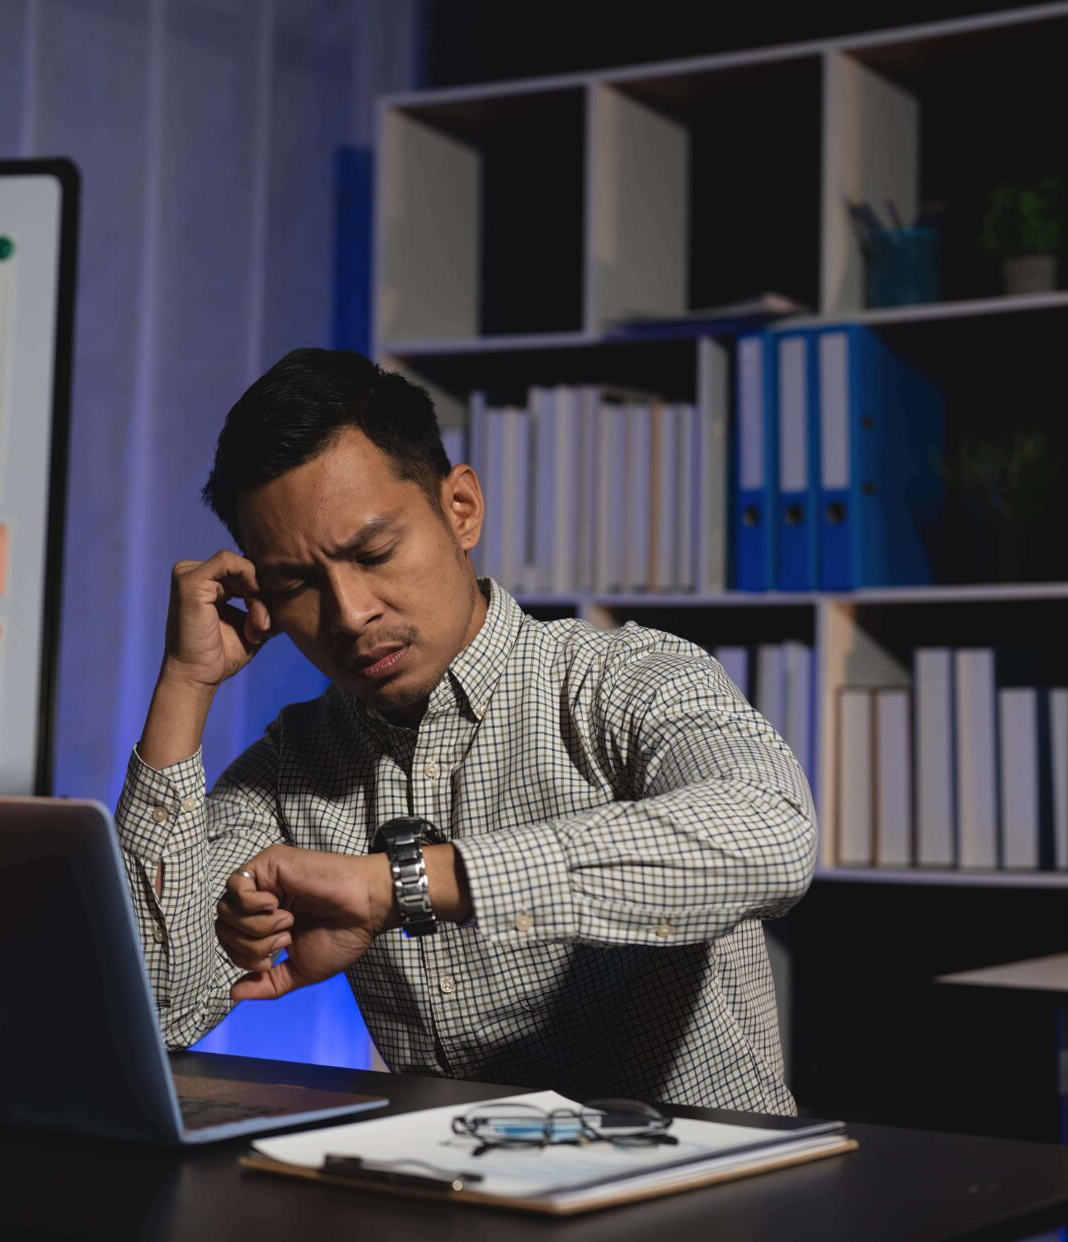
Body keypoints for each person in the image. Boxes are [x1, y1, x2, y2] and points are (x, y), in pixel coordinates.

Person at [115, 347, 816, 1116]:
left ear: (461, 509)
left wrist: (401, 885)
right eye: (299, 585)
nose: (350, 614)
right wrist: (185, 684)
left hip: (706, 1190)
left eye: (375, 553)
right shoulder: (294, 764)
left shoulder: (622, 677)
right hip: (464, 1201)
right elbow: (161, 1011)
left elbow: (774, 835)